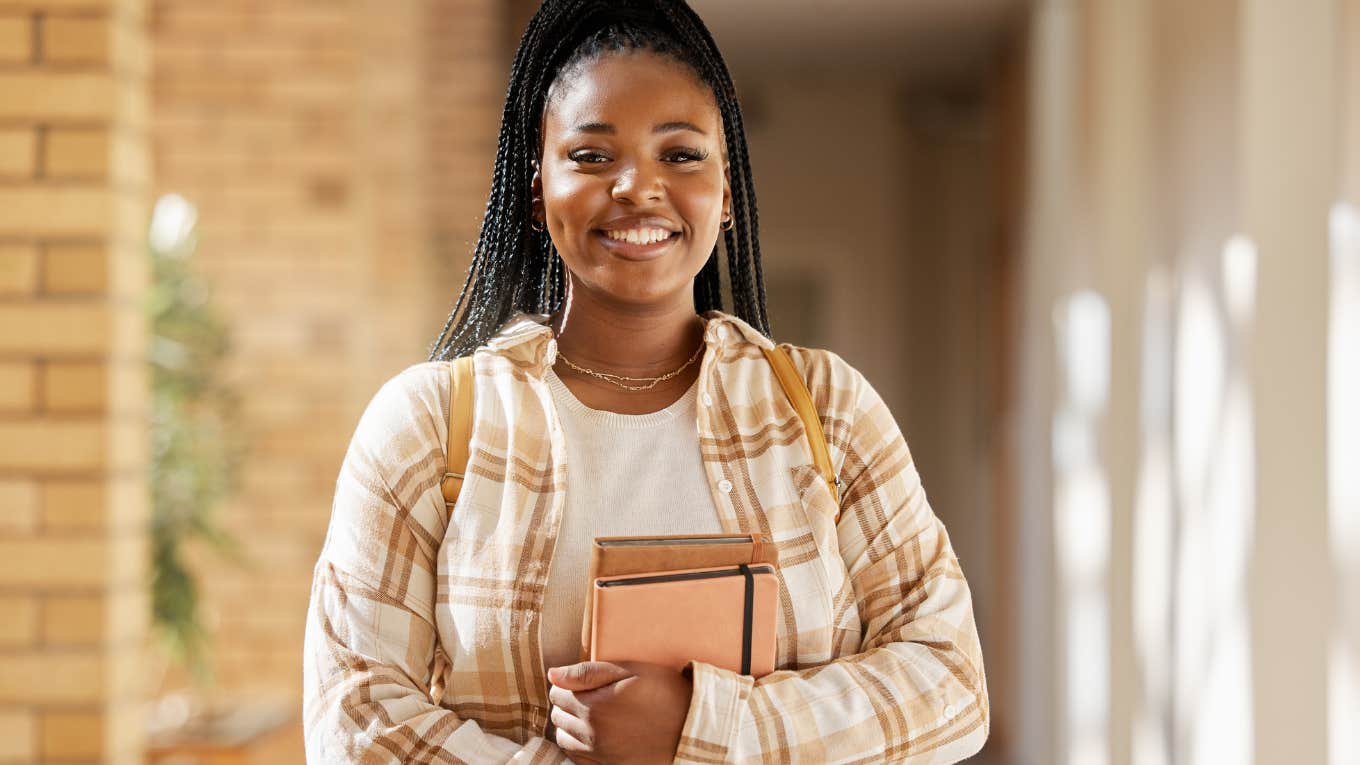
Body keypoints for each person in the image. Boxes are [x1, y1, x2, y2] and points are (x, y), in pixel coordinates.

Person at [302, 0, 989, 762]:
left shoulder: (827, 410)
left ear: (726, 194)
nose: (637, 186)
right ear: (537, 190)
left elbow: (951, 682)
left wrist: (702, 725)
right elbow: (353, 716)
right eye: (593, 156)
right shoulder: (428, 425)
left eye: (681, 154)